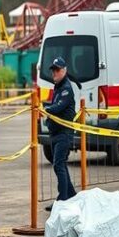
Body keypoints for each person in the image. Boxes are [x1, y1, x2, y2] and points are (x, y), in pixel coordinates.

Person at [43, 56, 77, 210]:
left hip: (64, 133)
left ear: (64, 71)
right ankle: (71, 195)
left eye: (57, 70)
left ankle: (63, 200)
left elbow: (57, 107)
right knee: (60, 164)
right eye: (53, 70)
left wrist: (46, 108)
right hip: (56, 133)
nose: (54, 73)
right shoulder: (58, 86)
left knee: (58, 165)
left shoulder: (66, 89)